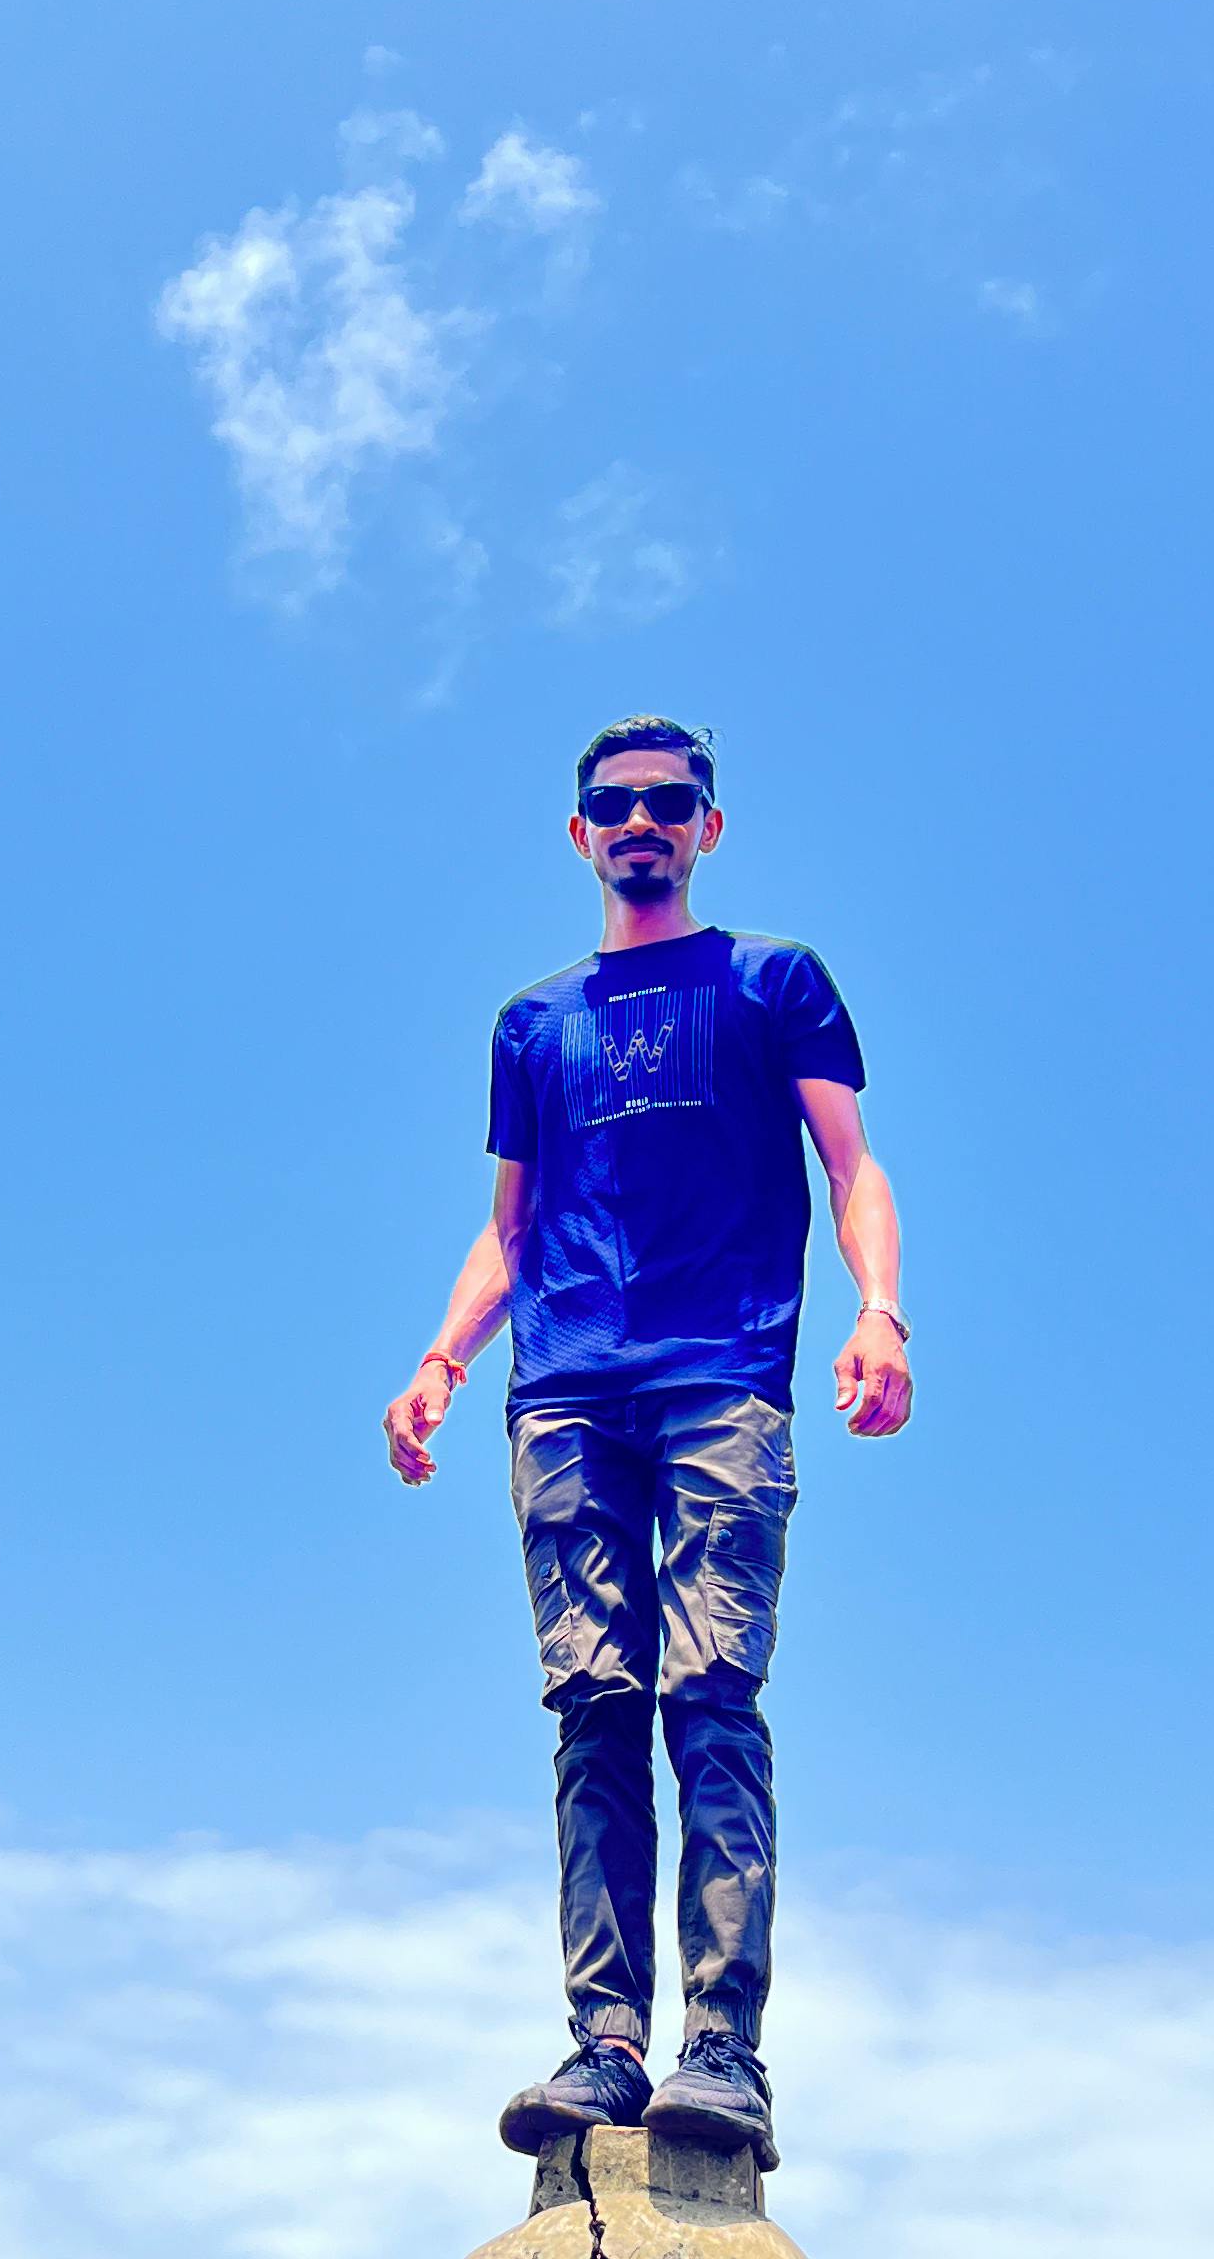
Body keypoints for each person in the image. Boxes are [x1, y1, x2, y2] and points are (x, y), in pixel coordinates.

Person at [382, 714, 911, 2168]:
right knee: (594, 1710)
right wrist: (440, 1358)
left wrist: (880, 1313)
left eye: (670, 802)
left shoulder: (773, 983)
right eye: (614, 804)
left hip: (721, 1379)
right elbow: (510, 1228)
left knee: (712, 1696)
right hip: (563, 1392)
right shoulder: (532, 1025)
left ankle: (721, 2051)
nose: (641, 822)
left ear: (706, 828)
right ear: (580, 834)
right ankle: (604, 2043)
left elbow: (853, 1167)